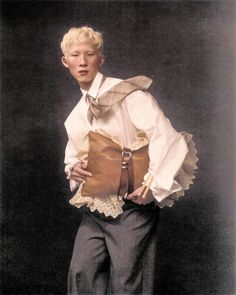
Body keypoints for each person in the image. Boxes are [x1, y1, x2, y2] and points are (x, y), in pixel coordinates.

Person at [60, 26, 197, 295]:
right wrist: (74, 168)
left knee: (126, 282)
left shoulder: (127, 94)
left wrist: (153, 184)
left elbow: (166, 136)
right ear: (66, 62)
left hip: (132, 208)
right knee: (81, 273)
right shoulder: (76, 115)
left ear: (101, 58)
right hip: (97, 208)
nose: (83, 61)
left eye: (90, 53)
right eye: (75, 55)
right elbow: (74, 155)